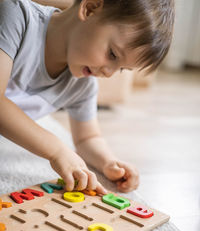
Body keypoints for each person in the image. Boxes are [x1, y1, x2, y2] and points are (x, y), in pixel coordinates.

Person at [0, 0, 174, 194]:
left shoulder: (83, 84)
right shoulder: (15, 15)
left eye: (121, 68)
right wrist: (57, 149)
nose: (109, 73)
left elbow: (87, 138)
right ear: (90, 8)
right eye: (113, 55)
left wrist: (108, 162)